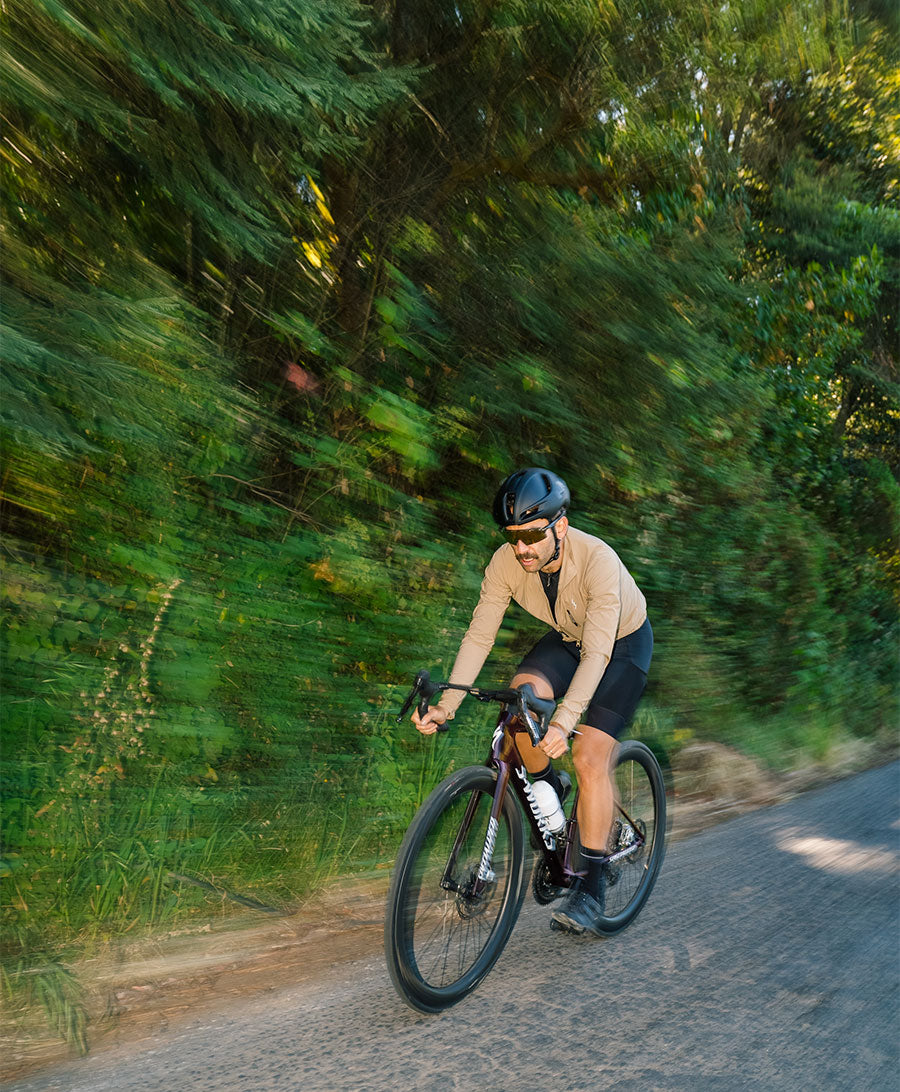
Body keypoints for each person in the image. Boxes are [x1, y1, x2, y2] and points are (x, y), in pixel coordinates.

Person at [412, 467, 652, 935]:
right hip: (568, 637)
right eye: (512, 536)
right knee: (520, 705)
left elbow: (599, 652)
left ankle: (592, 888)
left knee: (588, 754)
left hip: (621, 645)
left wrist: (563, 723)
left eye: (531, 535)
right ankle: (551, 792)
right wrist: (449, 706)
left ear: (559, 526)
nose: (521, 548)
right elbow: (480, 634)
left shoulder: (597, 560)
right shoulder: (505, 563)